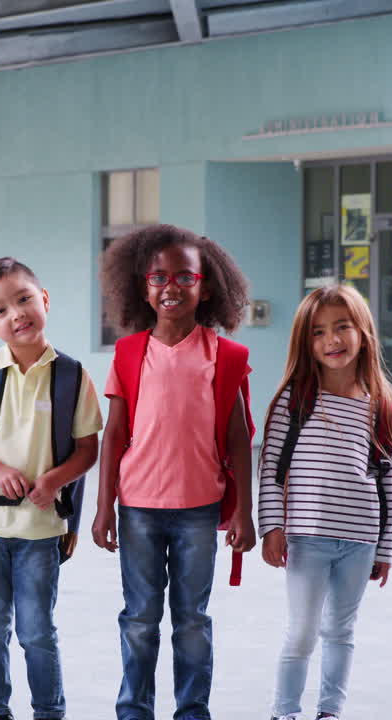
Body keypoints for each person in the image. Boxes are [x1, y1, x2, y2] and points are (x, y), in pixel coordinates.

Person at [93, 224, 256, 720]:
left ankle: (192, 712)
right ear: (143, 287)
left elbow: (239, 439)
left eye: (185, 277)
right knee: (140, 620)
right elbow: (114, 436)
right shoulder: (127, 353)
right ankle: (134, 711)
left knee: (191, 621)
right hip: (138, 508)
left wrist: (245, 513)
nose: (171, 287)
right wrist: (104, 509)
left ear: (206, 286)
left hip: (199, 511)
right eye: (158, 277)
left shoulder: (226, 356)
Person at [0, 257, 102, 720]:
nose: (16, 314)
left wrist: (54, 480)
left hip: (40, 528)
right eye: (0, 310)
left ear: (44, 300)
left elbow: (87, 450)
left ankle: (48, 712)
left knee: (37, 631)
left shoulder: (72, 377)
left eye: (24, 299)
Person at [256, 284, 392, 720]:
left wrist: (385, 547)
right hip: (306, 538)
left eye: (342, 328)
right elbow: (271, 469)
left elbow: (386, 481)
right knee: (302, 632)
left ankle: (329, 712)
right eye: (318, 333)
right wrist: (271, 527)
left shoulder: (381, 407)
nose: (331, 340)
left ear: (363, 332)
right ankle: (285, 712)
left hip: (360, 539)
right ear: (306, 342)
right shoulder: (294, 400)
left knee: (341, 631)